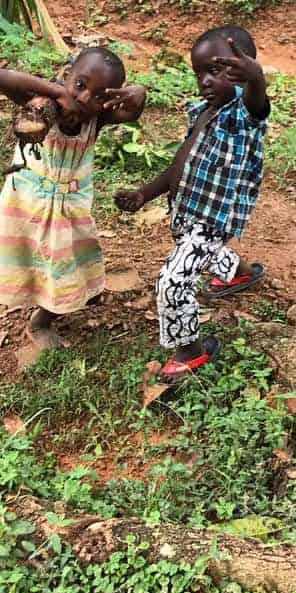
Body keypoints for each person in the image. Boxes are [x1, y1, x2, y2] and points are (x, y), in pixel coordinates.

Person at [115, 26, 269, 379]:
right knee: (205, 253)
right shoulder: (203, 112)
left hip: (212, 219)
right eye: (199, 73)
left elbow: (257, 103)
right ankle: (241, 275)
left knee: (173, 281)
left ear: (242, 71)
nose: (204, 82)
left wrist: (256, 78)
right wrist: (144, 194)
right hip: (186, 212)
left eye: (214, 71)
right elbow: (178, 166)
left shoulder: (243, 116)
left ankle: (191, 352)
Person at [0, 47, 146, 350]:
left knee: (72, 259)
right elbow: (1, 77)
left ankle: (57, 305)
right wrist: (59, 92)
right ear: (67, 75)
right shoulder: (40, 107)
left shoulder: (96, 120)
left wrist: (140, 95)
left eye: (99, 96)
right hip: (27, 203)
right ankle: (40, 321)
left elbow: (131, 111)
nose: (85, 99)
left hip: (70, 207)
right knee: (35, 260)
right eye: (80, 85)